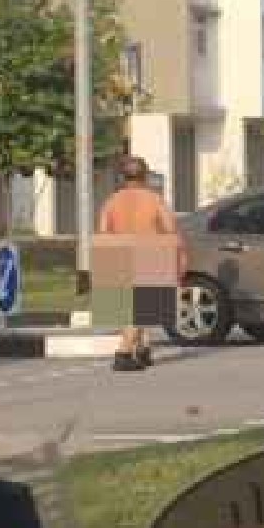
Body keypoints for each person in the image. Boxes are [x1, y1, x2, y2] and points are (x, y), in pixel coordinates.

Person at [97, 156, 186, 371]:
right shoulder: (154, 200)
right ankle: (124, 352)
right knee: (142, 307)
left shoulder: (112, 201)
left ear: (122, 177)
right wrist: (180, 256)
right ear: (145, 176)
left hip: (116, 251)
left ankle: (143, 348)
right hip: (148, 251)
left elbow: (103, 229)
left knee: (128, 306)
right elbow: (170, 228)